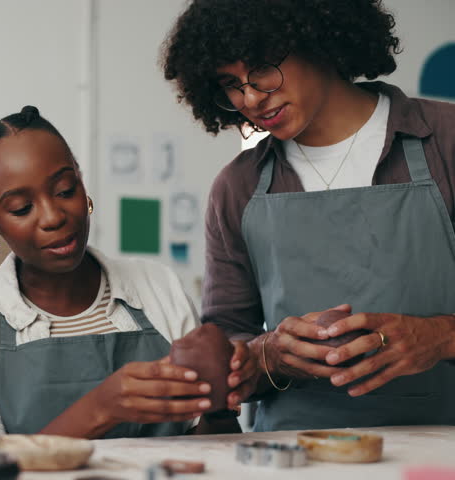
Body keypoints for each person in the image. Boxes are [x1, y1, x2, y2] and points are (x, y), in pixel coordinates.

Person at [162, 0, 455, 431]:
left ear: (317, 38)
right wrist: (268, 354)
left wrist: (439, 337)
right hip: (293, 456)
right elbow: (228, 336)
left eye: (262, 67)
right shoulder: (238, 185)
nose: (250, 97)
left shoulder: (444, 142)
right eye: (231, 84)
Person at [0, 106, 240, 447]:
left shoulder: (158, 286)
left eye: (64, 190)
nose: (53, 217)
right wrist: (101, 409)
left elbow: (214, 451)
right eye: (21, 208)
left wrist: (219, 400)